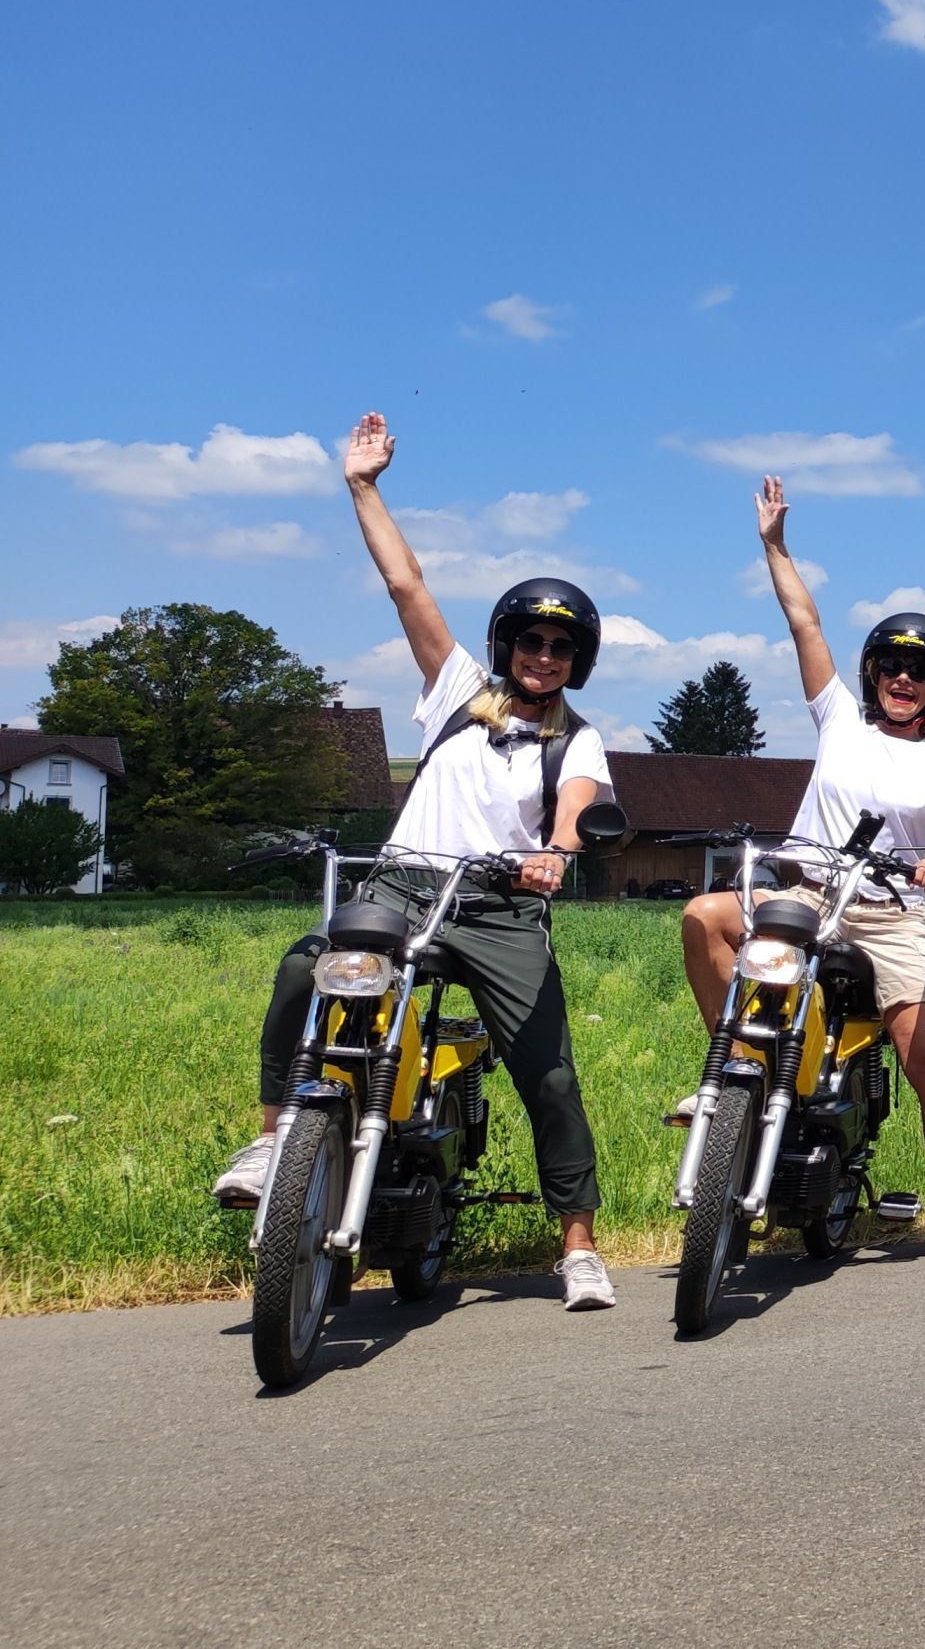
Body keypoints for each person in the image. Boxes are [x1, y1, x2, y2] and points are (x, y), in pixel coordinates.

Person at [210, 413, 620, 1310]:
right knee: (303, 970)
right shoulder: (457, 693)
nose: (543, 656)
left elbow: (577, 815)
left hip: (502, 905)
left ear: (577, 661)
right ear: (506, 643)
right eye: (531, 640)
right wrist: (363, 486)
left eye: (561, 647)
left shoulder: (578, 741)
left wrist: (554, 856)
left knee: (549, 1073)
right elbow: (407, 585)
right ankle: (275, 1141)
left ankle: (578, 1245)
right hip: (403, 886)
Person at [675, 477, 925, 1267]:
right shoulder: (839, 721)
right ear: (872, 673)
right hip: (809, 895)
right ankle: (737, 1065)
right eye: (891, 666)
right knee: (705, 915)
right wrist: (774, 545)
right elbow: (805, 622)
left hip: (890, 913)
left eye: (919, 672)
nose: (903, 679)